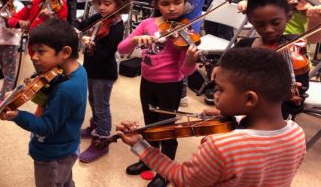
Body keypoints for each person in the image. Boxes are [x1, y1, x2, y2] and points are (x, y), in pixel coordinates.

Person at [116, 47, 306, 187]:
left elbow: (184, 179)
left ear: (249, 98)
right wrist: (235, 117)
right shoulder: (297, 133)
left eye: (220, 90)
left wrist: (140, 145)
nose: (215, 95)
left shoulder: (221, 147)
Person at [117, 0, 199, 187]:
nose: (172, 8)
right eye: (165, 4)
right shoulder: (147, 24)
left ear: (184, 3)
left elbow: (185, 71)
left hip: (170, 86)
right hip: (147, 82)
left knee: (167, 129)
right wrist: (136, 41)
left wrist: (190, 59)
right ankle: (147, 159)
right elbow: (122, 47)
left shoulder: (185, 31)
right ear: (156, 4)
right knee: (149, 124)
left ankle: (165, 170)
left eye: (177, 3)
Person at [0, 18, 87, 187]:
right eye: (33, 51)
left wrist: (17, 115)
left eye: (41, 51)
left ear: (65, 52)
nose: (34, 57)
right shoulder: (76, 70)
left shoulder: (67, 90)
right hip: (68, 144)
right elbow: (45, 84)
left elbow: (46, 127)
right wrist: (21, 90)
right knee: (65, 179)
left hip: (53, 154)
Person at [234, 0, 309, 120]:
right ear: (251, 21)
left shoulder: (295, 49)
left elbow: (296, 107)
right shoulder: (244, 46)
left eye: (275, 22)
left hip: (274, 120)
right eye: (260, 24)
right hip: (241, 113)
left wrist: (291, 100)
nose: (268, 29)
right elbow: (224, 79)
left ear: (288, 17)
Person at [74, 0, 128, 162]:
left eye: (107, 3)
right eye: (99, 3)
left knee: (102, 106)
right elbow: (81, 24)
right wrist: (75, 28)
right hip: (91, 68)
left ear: (118, 5)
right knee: (93, 101)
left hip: (104, 72)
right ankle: (95, 126)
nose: (102, 7)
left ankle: (102, 138)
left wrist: (89, 43)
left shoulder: (117, 26)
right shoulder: (99, 17)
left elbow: (106, 54)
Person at [174, 0, 209, 107]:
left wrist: (171, 1)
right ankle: (173, 86)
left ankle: (182, 95)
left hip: (189, 24)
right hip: (177, 22)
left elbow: (188, 7)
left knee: (184, 59)